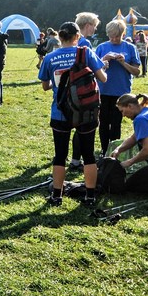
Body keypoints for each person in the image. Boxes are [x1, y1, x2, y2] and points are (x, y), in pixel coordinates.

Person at [38, 22, 107, 206]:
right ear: (78, 36)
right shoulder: (86, 53)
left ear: (59, 37)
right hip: (86, 111)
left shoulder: (50, 58)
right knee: (89, 154)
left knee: (60, 155)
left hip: (60, 112)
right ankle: (90, 196)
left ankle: (56, 196)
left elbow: (45, 86)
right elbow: (103, 78)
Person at [95, 19, 141, 155]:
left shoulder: (130, 48)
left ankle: (113, 151)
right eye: (111, 36)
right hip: (103, 91)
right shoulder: (102, 47)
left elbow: (137, 72)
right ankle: (104, 150)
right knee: (103, 123)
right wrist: (104, 60)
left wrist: (123, 62)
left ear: (123, 34)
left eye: (117, 36)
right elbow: (93, 69)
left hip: (121, 92)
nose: (114, 39)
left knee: (116, 123)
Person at [69, 12, 101, 171]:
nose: (95, 29)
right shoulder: (85, 43)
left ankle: (74, 159)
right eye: (94, 26)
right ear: (87, 25)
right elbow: (91, 68)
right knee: (84, 126)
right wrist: (105, 62)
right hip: (83, 89)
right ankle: (77, 160)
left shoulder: (72, 41)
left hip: (70, 89)